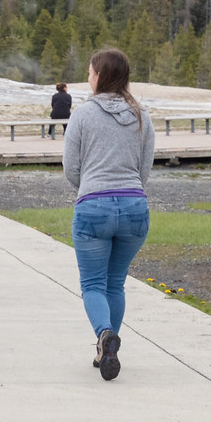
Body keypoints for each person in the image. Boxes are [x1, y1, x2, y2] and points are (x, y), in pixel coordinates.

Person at [63, 47, 156, 382]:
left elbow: (70, 167)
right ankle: (108, 349)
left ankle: (104, 335)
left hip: (94, 206)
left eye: (90, 72)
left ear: (100, 76)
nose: (88, 77)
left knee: (92, 284)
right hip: (134, 206)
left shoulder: (83, 115)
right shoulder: (142, 114)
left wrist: (89, 187)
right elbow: (145, 169)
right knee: (115, 282)